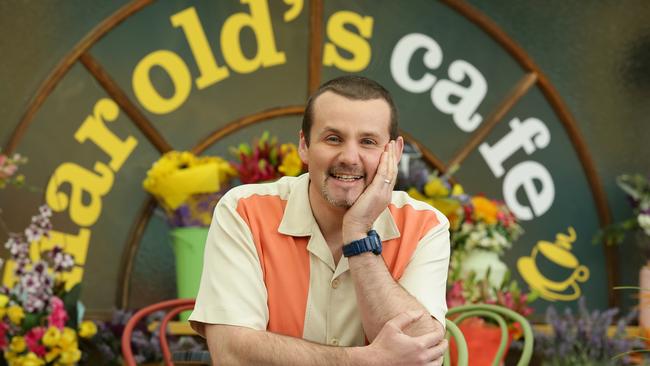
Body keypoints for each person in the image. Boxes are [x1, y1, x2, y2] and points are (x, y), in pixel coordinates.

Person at [189, 76, 450, 365]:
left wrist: (359, 234)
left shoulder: (426, 225)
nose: (350, 157)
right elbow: (233, 354)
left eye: (368, 142)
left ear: (394, 153)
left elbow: (422, 356)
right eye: (333, 138)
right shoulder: (244, 211)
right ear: (304, 145)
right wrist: (364, 361)